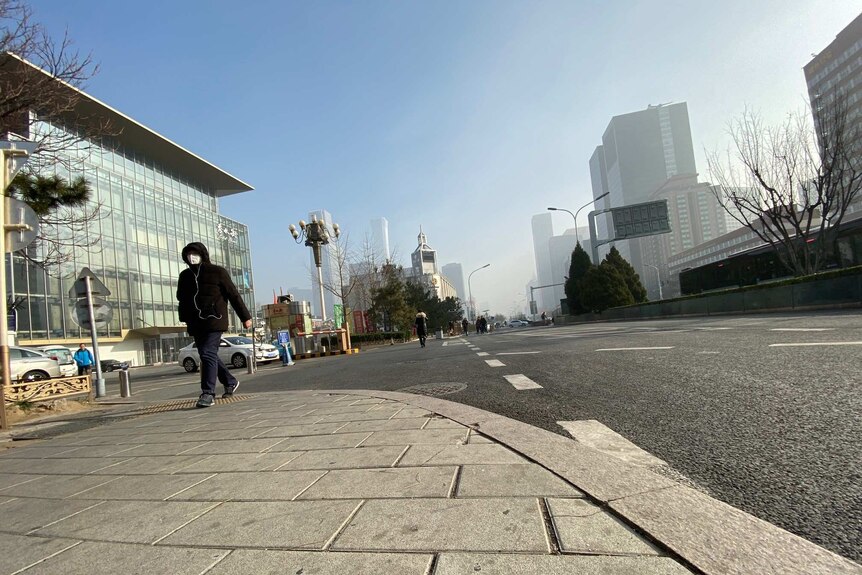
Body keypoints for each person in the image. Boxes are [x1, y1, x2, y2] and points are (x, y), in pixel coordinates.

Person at [177, 242, 252, 408]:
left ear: (203, 254)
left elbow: (234, 295)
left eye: (194, 253)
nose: (191, 256)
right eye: (188, 254)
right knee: (208, 354)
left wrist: (245, 317)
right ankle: (230, 381)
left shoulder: (218, 272)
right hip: (196, 322)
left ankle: (208, 393)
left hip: (215, 319)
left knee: (207, 353)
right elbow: (182, 300)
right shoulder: (185, 276)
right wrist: (184, 318)